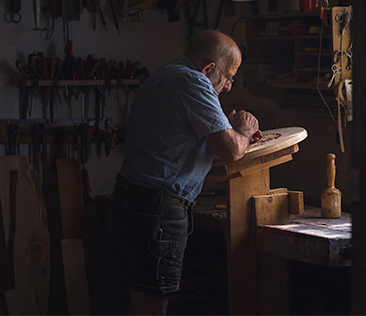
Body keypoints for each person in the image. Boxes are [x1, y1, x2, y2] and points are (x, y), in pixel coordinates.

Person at [108, 30, 261, 315]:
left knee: (139, 295)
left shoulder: (165, 75)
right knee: (153, 302)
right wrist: (244, 130)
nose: (228, 87)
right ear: (208, 68)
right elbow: (231, 151)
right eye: (228, 76)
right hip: (157, 209)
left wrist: (222, 125)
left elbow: (182, 140)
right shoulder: (194, 82)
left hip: (134, 200)